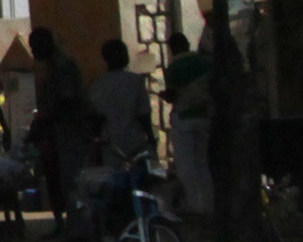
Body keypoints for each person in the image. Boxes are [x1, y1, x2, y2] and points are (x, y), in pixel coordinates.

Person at [29, 27, 91, 214]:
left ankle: (79, 230)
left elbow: (66, 101)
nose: (33, 52)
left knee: (73, 182)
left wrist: (43, 124)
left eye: (35, 47)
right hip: (61, 132)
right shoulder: (54, 66)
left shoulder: (62, 67)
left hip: (71, 131)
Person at [164, 25, 214, 225]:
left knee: (186, 166)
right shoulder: (204, 63)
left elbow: (173, 95)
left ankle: (195, 206)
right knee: (203, 163)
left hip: (184, 118)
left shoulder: (174, 68)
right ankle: (209, 205)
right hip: (204, 117)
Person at [87, 39, 155, 171]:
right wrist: (151, 139)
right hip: (136, 145)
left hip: (111, 148)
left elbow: (96, 119)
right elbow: (144, 115)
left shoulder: (98, 86)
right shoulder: (135, 81)